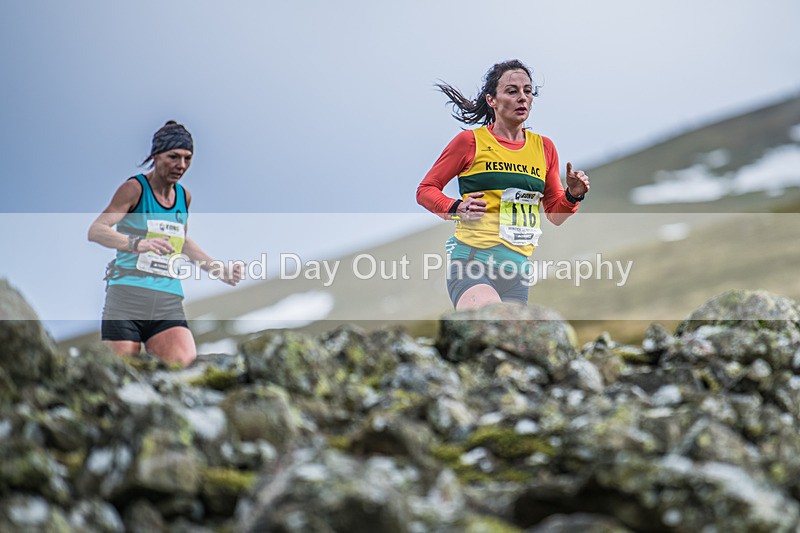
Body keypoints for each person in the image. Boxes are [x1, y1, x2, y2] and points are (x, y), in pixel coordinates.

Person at [416, 59, 590, 310]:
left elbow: (555, 214)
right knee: (495, 323)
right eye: (512, 91)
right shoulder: (469, 142)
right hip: (472, 264)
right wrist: (456, 207)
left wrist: (573, 195)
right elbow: (425, 190)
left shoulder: (544, 148)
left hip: (516, 275)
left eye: (527, 91)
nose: (522, 98)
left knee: (506, 346)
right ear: (492, 100)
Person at [88, 120, 243, 366]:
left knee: (184, 365)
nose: (181, 165)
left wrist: (218, 269)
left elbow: (182, 242)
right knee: (121, 371)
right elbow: (96, 230)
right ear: (156, 156)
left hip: (166, 300)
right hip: (127, 296)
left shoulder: (184, 197)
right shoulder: (134, 189)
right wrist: (137, 243)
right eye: (173, 157)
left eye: (187, 158)